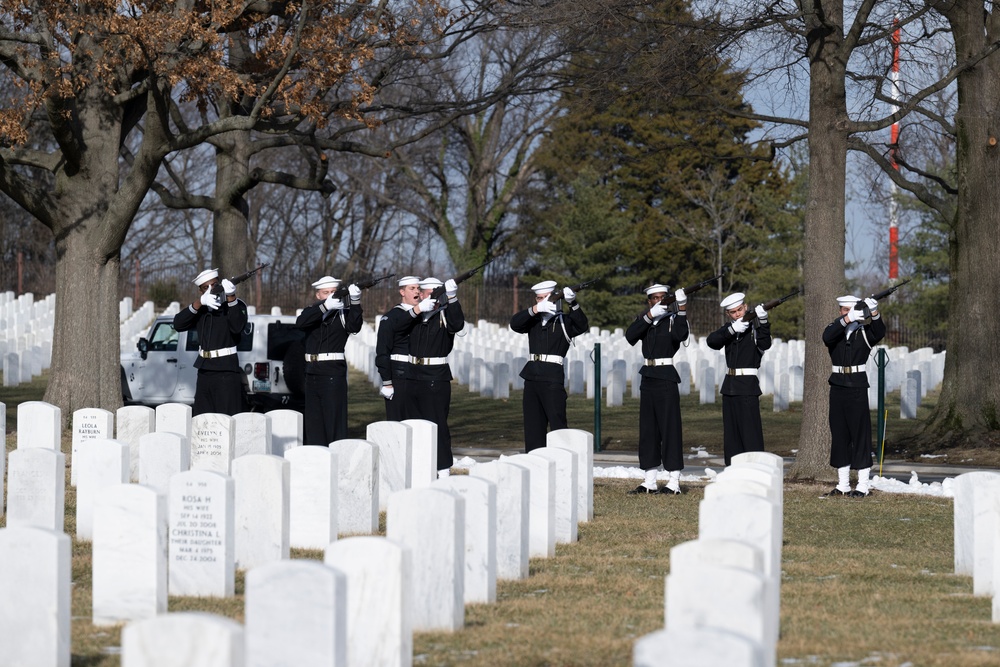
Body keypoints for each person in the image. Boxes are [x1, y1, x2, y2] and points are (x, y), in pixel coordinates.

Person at [509, 280, 589, 453]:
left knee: (558, 424)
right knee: (533, 427)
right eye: (539, 299)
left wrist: (572, 303)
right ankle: (535, 464)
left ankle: (562, 462)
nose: (542, 301)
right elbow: (515, 323)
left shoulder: (564, 321)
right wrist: (535, 310)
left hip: (552, 378)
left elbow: (582, 325)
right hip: (531, 378)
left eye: (546, 298)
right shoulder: (533, 320)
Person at [624, 284, 689, 494]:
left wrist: (681, 308)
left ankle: (674, 481)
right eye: (654, 298)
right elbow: (630, 336)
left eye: (662, 297)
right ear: (649, 301)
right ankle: (649, 480)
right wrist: (649, 316)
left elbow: (681, 335)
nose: (659, 300)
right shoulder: (646, 320)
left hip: (666, 376)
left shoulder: (672, 320)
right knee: (648, 430)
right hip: (648, 377)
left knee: (670, 429)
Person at [823, 294, 886, 497]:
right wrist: (848, 319)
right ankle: (842, 484)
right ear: (841, 311)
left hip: (857, 386)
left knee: (860, 434)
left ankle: (863, 485)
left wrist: (874, 313)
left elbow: (880, 331)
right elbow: (826, 337)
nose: (847, 312)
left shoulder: (865, 332)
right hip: (838, 386)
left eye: (852, 309)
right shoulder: (835, 329)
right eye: (844, 310)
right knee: (840, 434)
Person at [295, 275, 363, 446]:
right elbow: (300, 323)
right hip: (311, 372)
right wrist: (325, 307)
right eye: (326, 293)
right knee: (314, 422)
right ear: (318, 295)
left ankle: (337, 459)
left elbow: (355, 326)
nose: (331, 295)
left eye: (333, 292)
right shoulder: (312, 311)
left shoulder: (342, 313)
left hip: (332, 371)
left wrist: (355, 301)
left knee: (334, 420)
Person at [407, 276, 464, 477]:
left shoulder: (445, 313)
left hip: (435, 376)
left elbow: (458, 325)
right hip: (413, 375)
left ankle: (442, 467)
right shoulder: (414, 314)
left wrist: (452, 298)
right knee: (415, 423)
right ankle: (419, 466)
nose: (428, 296)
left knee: (437, 423)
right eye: (425, 292)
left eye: (433, 293)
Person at [706, 292, 772, 466]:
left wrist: (763, 321)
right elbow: (712, 341)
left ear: (746, 307)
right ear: (729, 314)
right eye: (733, 312)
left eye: (740, 310)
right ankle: (733, 471)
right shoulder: (730, 329)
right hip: (730, 386)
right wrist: (731, 329)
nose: (738, 314)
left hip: (747, 387)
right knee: (732, 435)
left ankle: (755, 471)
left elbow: (765, 344)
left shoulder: (755, 328)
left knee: (751, 434)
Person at [173, 268, 249, 416]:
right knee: (203, 417)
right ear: (201, 291)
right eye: (205, 288)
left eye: (214, 285)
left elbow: (237, 327)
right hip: (205, 370)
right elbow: (178, 324)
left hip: (226, 370)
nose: (211, 290)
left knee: (227, 418)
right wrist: (199, 303)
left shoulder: (235, 305)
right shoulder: (201, 308)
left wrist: (231, 297)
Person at [374, 275, 437, 421]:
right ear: (402, 292)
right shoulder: (392, 316)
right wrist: (387, 382)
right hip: (400, 374)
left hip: (420, 374)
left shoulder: (424, 314)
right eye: (412, 288)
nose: (416, 292)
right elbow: (383, 351)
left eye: (418, 288)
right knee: (398, 421)